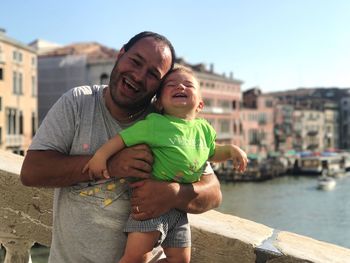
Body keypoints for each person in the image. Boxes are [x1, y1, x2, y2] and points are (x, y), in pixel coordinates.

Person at [20, 31, 223, 263]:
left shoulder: (166, 123)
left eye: (152, 74)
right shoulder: (78, 102)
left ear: (159, 87)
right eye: (135, 62)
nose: (137, 76)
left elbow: (213, 191)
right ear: (121, 54)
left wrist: (174, 194)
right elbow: (32, 171)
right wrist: (112, 164)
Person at [83, 65, 248, 263]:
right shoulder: (155, 124)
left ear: (200, 105)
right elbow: (122, 139)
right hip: (150, 207)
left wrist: (231, 151)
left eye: (188, 85)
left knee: (181, 260)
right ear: (159, 103)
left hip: (179, 209)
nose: (180, 87)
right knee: (135, 257)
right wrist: (101, 156)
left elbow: (212, 152)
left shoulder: (203, 130)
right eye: (172, 85)